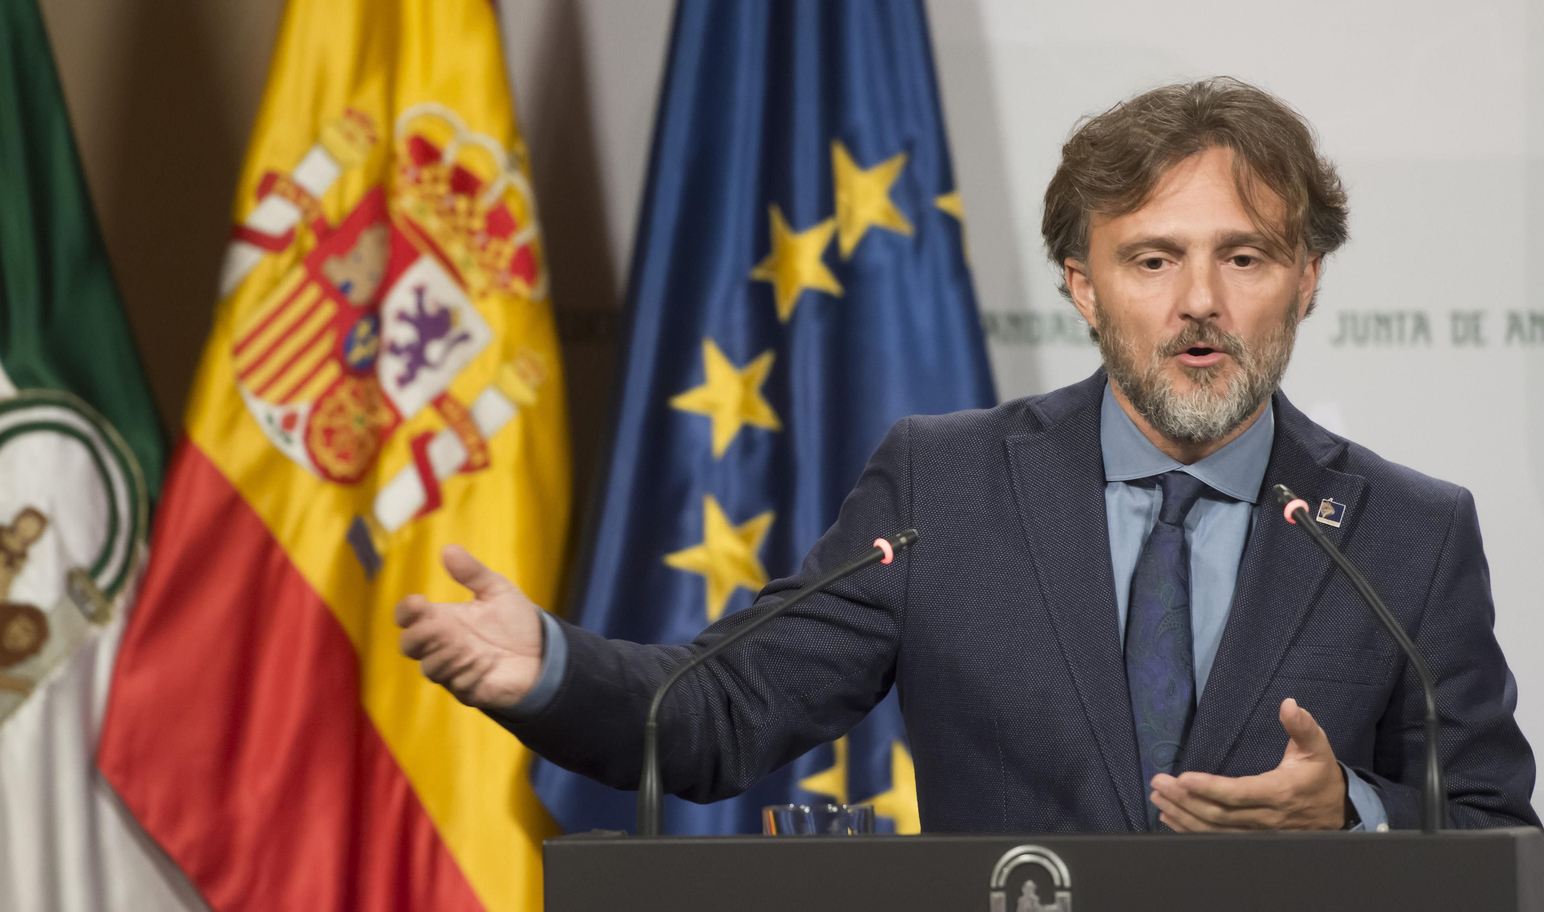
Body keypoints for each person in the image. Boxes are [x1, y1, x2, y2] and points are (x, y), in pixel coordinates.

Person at [395, 78, 1537, 832]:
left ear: (1306, 279)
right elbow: (721, 710)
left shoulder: (1408, 533)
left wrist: (1351, 815)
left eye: (1244, 257)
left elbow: (1497, 834)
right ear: (1083, 286)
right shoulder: (942, 488)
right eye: (1151, 260)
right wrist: (552, 669)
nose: (1200, 301)